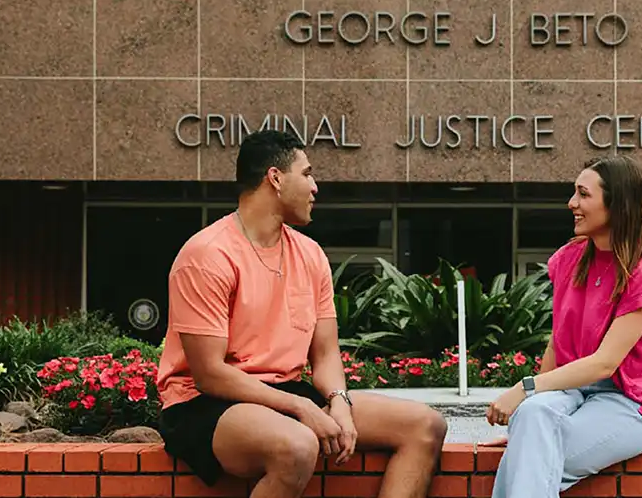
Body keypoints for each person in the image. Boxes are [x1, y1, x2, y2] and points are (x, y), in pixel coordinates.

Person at [154, 129, 448, 498]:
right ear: (275, 178)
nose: (315, 187)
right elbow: (211, 374)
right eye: (307, 173)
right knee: (296, 445)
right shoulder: (207, 255)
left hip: (285, 395)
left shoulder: (310, 255)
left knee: (425, 425)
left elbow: (324, 355)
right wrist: (302, 409)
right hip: (206, 404)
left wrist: (339, 403)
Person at [480, 155, 642, 498]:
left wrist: (524, 389)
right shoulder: (570, 258)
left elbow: (605, 363)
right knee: (533, 419)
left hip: (628, 404)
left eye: (583, 194)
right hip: (572, 394)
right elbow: (558, 344)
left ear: (617, 204)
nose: (572, 203)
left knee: (531, 459)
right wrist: (526, 419)